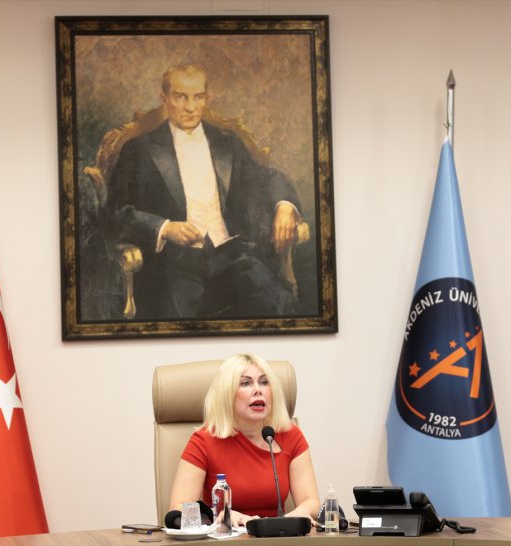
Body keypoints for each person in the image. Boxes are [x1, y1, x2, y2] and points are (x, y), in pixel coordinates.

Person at [105, 64, 301, 320]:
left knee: (280, 303)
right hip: (173, 265)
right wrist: (165, 228)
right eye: (180, 97)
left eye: (198, 97)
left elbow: (267, 177)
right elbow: (115, 213)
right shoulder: (139, 149)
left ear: (207, 98)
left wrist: (285, 205)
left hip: (233, 255)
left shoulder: (227, 142)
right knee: (177, 319)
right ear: (164, 98)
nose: (190, 107)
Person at [169, 354, 320, 527]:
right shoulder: (204, 440)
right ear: (227, 394)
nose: (258, 390)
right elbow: (178, 507)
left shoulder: (290, 435)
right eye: (245, 383)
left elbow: (311, 501)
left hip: (277, 536)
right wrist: (220, 515)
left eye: (264, 382)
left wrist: (300, 513)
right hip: (227, 536)